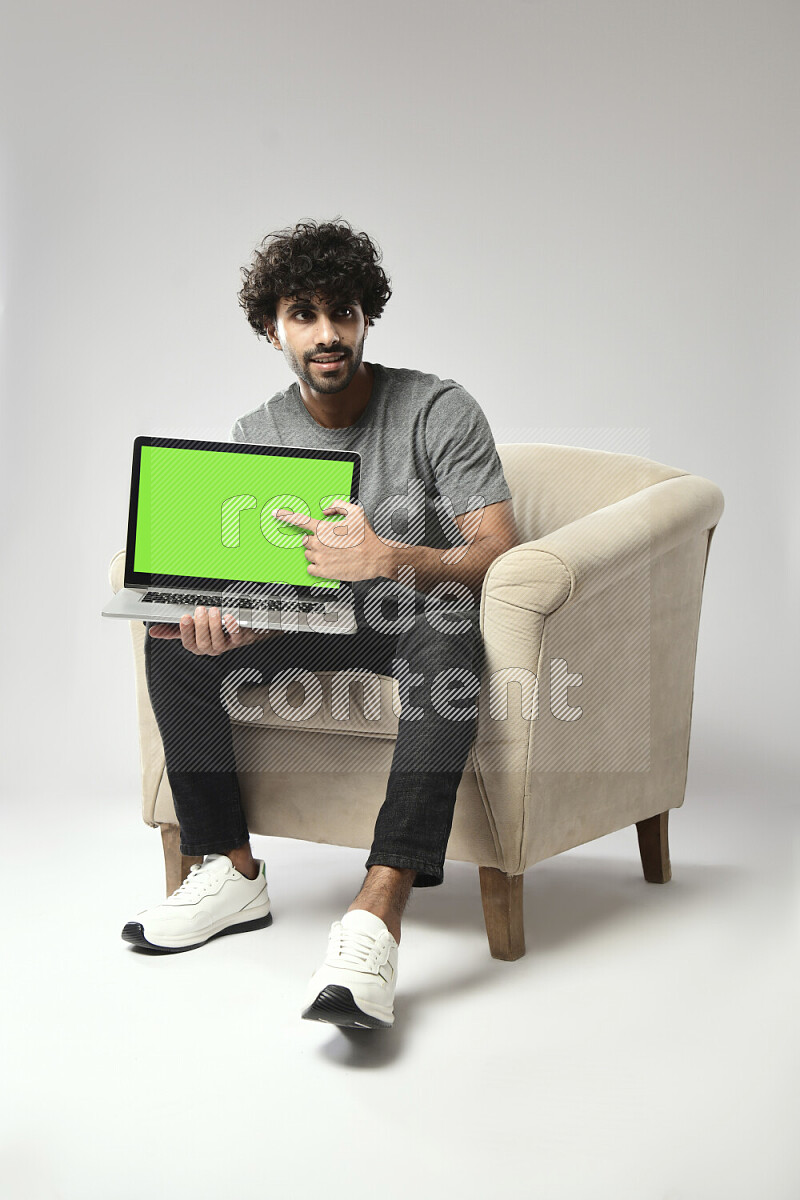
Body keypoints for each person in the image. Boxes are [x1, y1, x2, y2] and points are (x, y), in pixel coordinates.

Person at [122, 218, 518, 1030]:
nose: (327, 333)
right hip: (317, 622)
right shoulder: (256, 432)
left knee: (446, 634)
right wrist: (232, 622)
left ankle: (376, 912)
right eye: (304, 313)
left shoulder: (437, 408)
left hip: (416, 613)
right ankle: (231, 871)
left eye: (343, 311)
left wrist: (389, 558)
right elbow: (263, 585)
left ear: (368, 317)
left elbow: (495, 551)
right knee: (174, 642)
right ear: (274, 329)